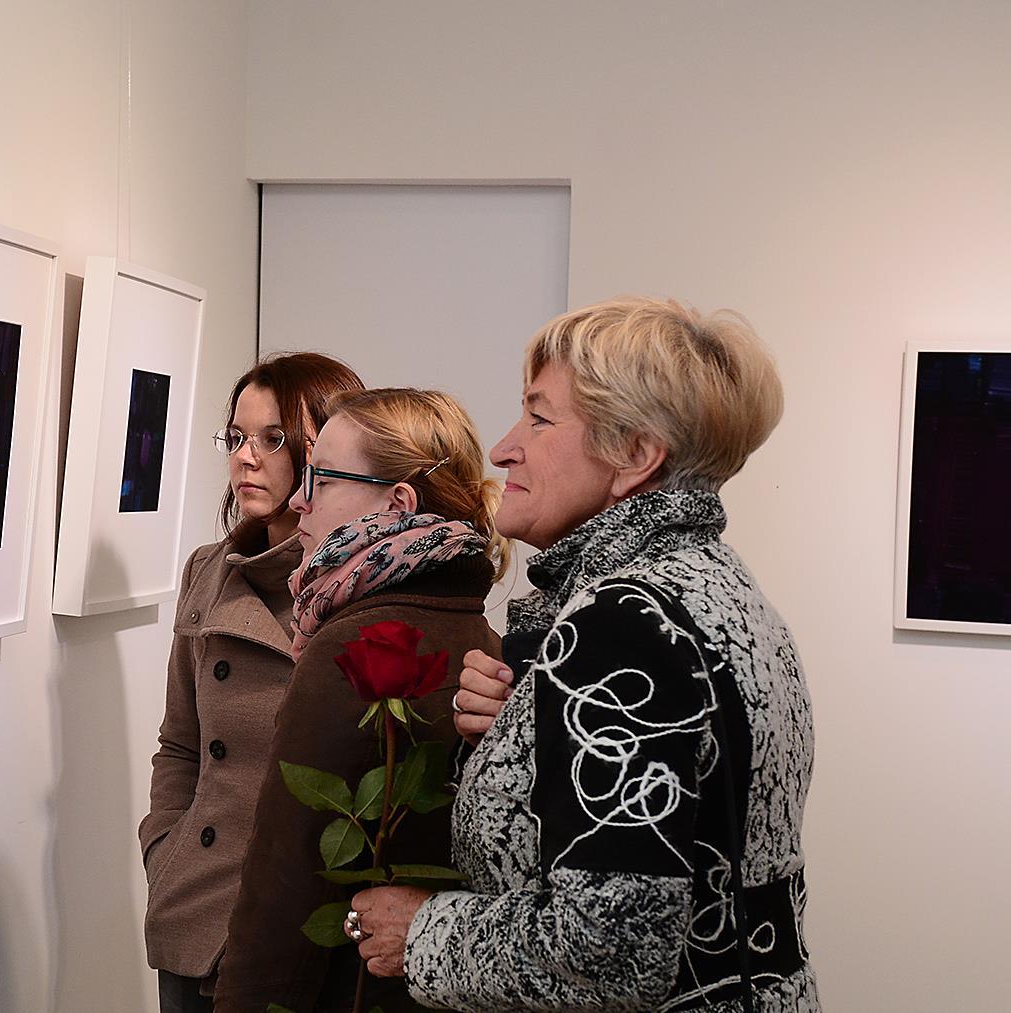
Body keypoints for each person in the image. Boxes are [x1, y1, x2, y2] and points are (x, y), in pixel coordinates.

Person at [343, 298, 818, 1012]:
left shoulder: (622, 623)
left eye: (539, 418)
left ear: (636, 455)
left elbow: (612, 950)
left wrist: (422, 930)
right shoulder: (720, 586)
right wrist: (527, 735)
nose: (503, 449)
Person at [213, 388, 509, 1013]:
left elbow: (284, 884)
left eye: (321, 479)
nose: (300, 500)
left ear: (397, 504)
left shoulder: (353, 641)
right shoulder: (480, 634)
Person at [141, 352, 364, 1013]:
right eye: (237, 437)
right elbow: (181, 743)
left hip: (308, 927)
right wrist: (165, 850)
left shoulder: (360, 582)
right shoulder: (208, 570)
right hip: (197, 910)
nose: (245, 458)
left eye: (273, 439)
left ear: (328, 450)